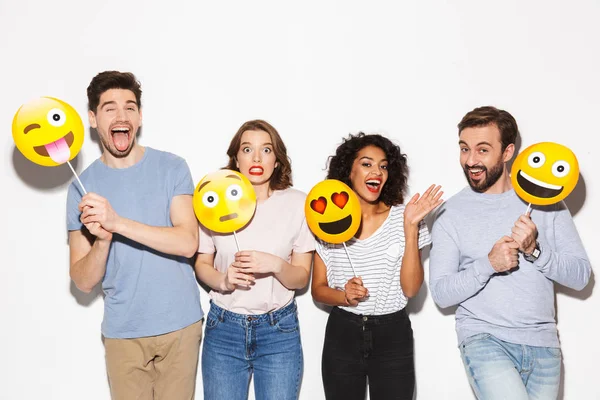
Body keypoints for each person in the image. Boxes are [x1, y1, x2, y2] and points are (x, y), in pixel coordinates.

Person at [429, 106, 591, 400]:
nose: (471, 160)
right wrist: (488, 264)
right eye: (465, 149)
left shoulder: (545, 200)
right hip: (484, 338)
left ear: (507, 152)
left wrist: (536, 251)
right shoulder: (449, 213)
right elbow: (441, 293)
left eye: (482, 150)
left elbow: (581, 276)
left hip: (543, 343)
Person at [67, 71, 203, 400]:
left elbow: (188, 243)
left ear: (139, 117)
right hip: (122, 333)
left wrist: (116, 222)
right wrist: (102, 239)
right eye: (110, 108)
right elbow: (83, 281)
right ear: (93, 118)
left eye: (130, 107)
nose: (121, 115)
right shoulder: (80, 187)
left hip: (179, 326)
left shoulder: (172, 167)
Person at [311, 132, 443, 400]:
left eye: (383, 166)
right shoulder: (327, 219)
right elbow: (318, 290)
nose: (378, 172)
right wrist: (344, 296)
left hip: (392, 334)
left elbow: (411, 289)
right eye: (367, 163)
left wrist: (410, 228)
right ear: (348, 170)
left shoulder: (404, 217)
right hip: (342, 333)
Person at [195, 120, 315, 400]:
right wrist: (223, 280)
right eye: (247, 149)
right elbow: (202, 264)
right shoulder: (214, 200)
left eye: (266, 150)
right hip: (224, 328)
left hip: (279, 331)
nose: (257, 158)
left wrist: (275, 264)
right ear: (236, 158)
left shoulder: (298, 204)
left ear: (277, 160)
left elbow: (301, 277)